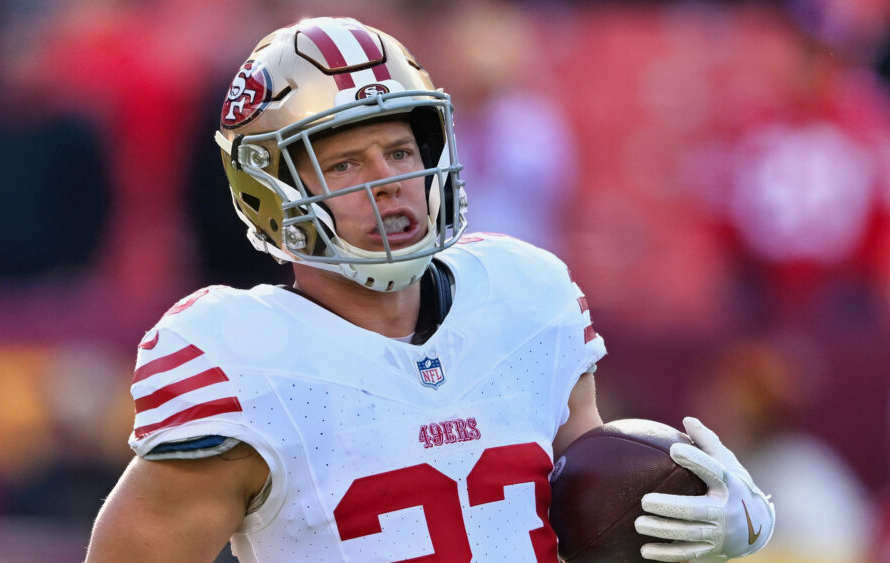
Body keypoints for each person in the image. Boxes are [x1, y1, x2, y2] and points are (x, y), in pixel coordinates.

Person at [86, 17, 775, 562]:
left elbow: (589, 507)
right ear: (273, 190)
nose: (386, 180)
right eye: (345, 162)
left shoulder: (524, 295)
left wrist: (698, 515)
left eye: (401, 151)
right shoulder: (240, 357)